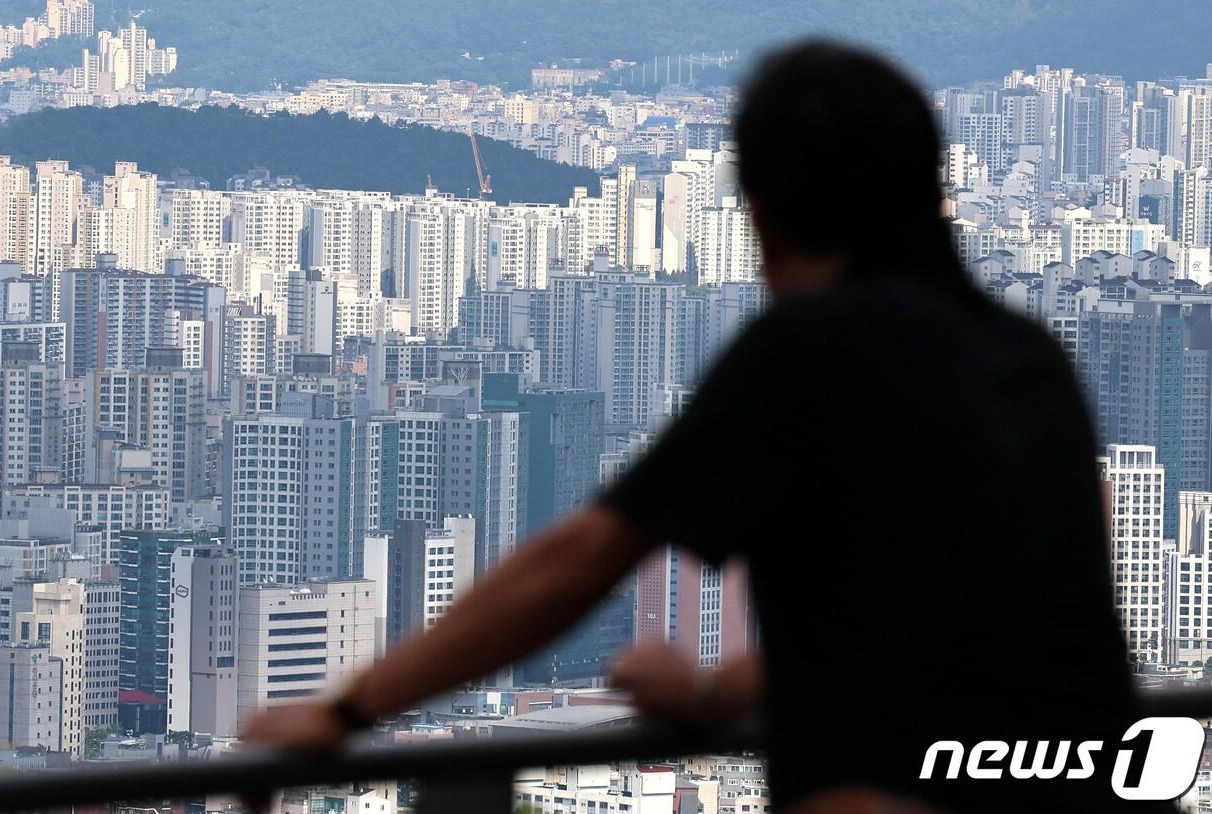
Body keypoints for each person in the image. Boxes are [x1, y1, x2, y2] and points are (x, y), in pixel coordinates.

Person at [244, 41, 1154, 813]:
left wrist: (351, 711)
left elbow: (581, 560)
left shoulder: (817, 347)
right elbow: (951, 638)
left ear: (763, 216)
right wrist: (716, 693)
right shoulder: (1030, 357)